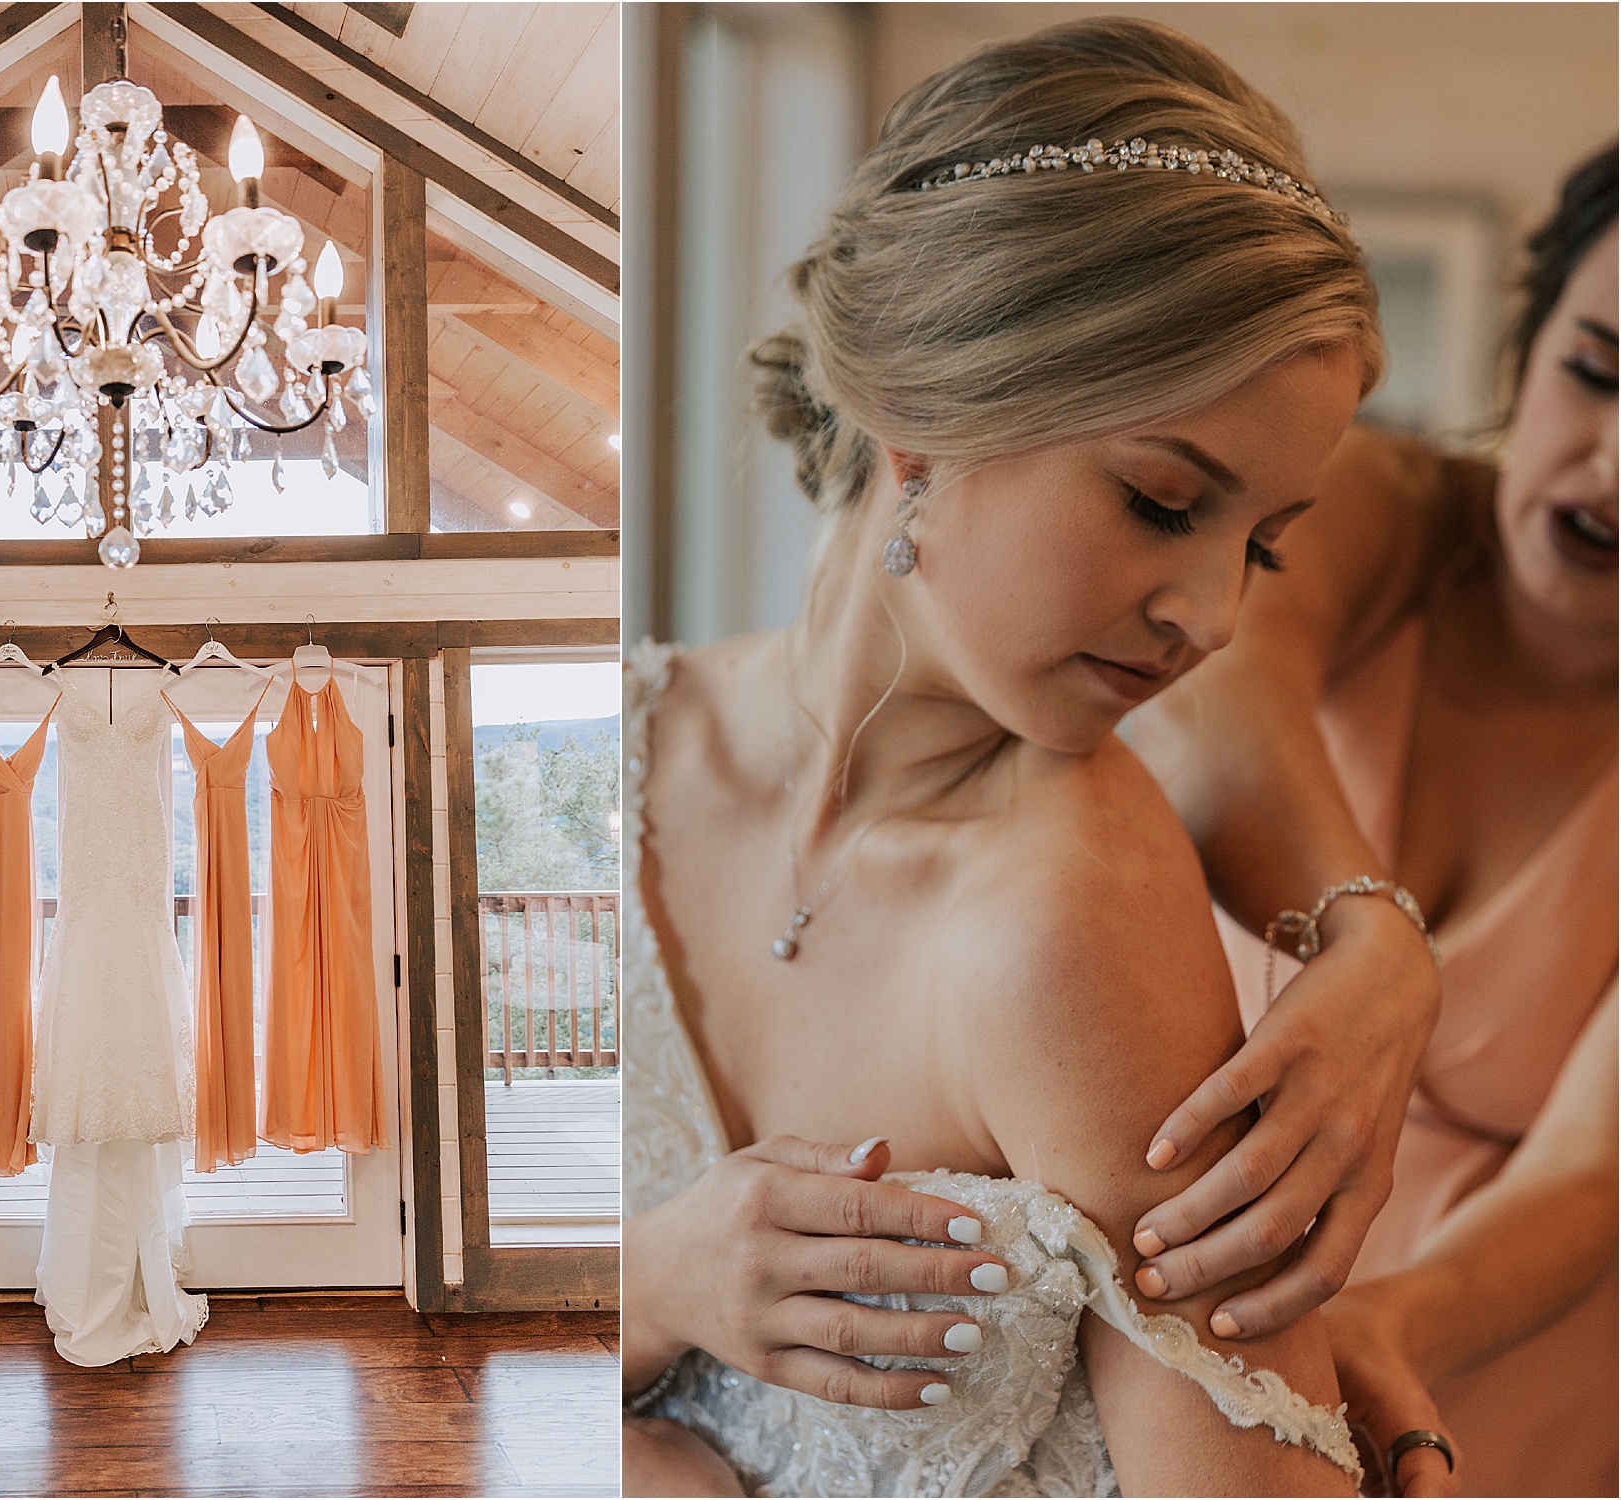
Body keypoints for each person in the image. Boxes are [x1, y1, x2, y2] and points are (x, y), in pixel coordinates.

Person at [622, 17, 1425, 1496]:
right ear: (924, 406)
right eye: (1163, 502)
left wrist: (1383, 933)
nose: (1214, 617)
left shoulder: (1070, 922)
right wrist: (650, 1291)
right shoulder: (611, 749)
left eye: (1261, 546)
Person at [1130, 142, 1618, 1496]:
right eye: (1595, 370)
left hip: (1490, 1372)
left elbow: (1595, 1172)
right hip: (1203, 1325)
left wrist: (1381, 1326)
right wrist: (1369, 941)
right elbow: (1204, 685)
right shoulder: (1385, 511)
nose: (1613, 463)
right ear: (1530, 346)